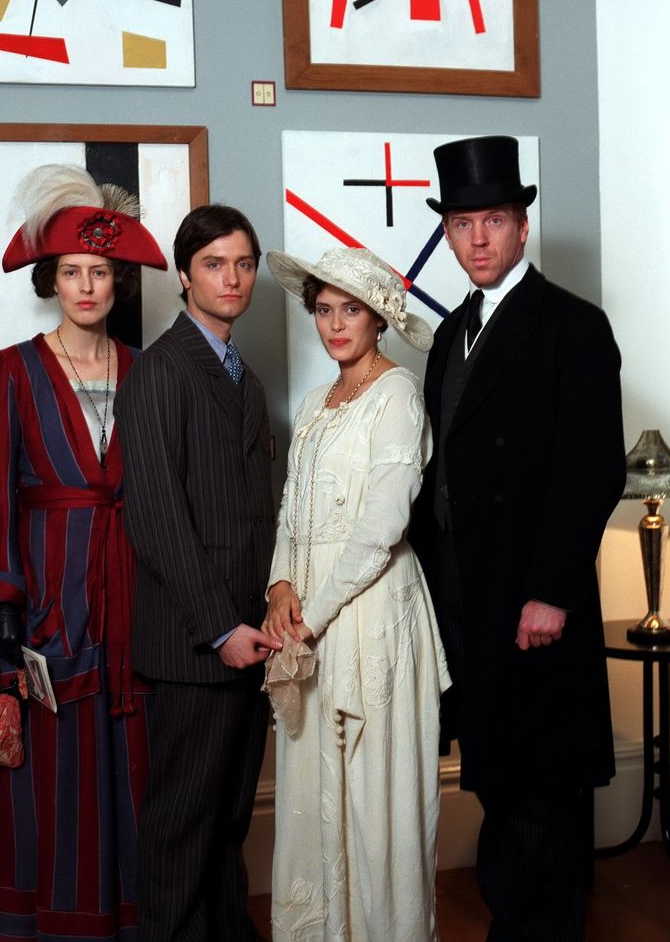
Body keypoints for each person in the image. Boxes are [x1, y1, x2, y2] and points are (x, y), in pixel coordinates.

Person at [408, 136, 626, 942]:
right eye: (463, 223)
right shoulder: (448, 336)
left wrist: (550, 589)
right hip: (468, 597)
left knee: (543, 792)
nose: (477, 240)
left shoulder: (572, 325)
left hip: (533, 600)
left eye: (493, 220)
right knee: (500, 785)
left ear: (522, 227)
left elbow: (593, 469)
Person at [0, 163, 168, 941]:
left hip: (132, 596)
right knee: (55, 775)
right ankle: (55, 925)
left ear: (119, 282)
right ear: (51, 281)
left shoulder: (145, 370)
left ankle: (130, 921)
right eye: (71, 272)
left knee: (132, 766)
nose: (87, 286)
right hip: (50, 600)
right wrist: (2, 607)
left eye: (100, 273)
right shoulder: (16, 369)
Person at [262, 247, 452, 942]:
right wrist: (281, 584)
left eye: (351, 309)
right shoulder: (316, 403)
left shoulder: (398, 394)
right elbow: (292, 506)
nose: (335, 324)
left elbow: (381, 527)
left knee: (380, 802)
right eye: (323, 309)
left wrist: (309, 615)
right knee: (315, 792)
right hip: (310, 617)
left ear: (378, 319)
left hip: (372, 616)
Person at [115, 204, 280, 942]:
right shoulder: (159, 370)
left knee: (229, 817)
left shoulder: (246, 379)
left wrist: (265, 615)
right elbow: (155, 519)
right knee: (183, 823)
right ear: (184, 275)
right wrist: (220, 628)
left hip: (252, 635)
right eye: (215, 264)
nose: (233, 278)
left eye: (243, 263)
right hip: (197, 643)